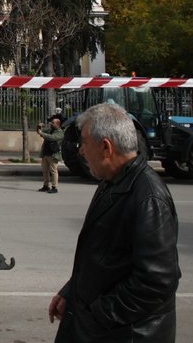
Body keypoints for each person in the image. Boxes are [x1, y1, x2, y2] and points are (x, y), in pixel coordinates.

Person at [49, 102, 180, 342]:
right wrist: (71, 293)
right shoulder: (113, 182)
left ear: (106, 147)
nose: (80, 151)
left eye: (84, 143)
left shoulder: (148, 197)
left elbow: (156, 282)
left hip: (123, 334)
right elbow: (100, 258)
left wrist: (97, 315)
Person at [37, 114, 64, 193]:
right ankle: (46, 186)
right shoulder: (50, 130)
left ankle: (54, 187)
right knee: (45, 171)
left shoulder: (60, 133)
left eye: (53, 123)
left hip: (53, 154)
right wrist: (39, 127)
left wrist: (42, 133)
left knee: (53, 171)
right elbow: (40, 132)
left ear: (58, 124)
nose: (51, 124)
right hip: (45, 153)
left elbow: (51, 138)